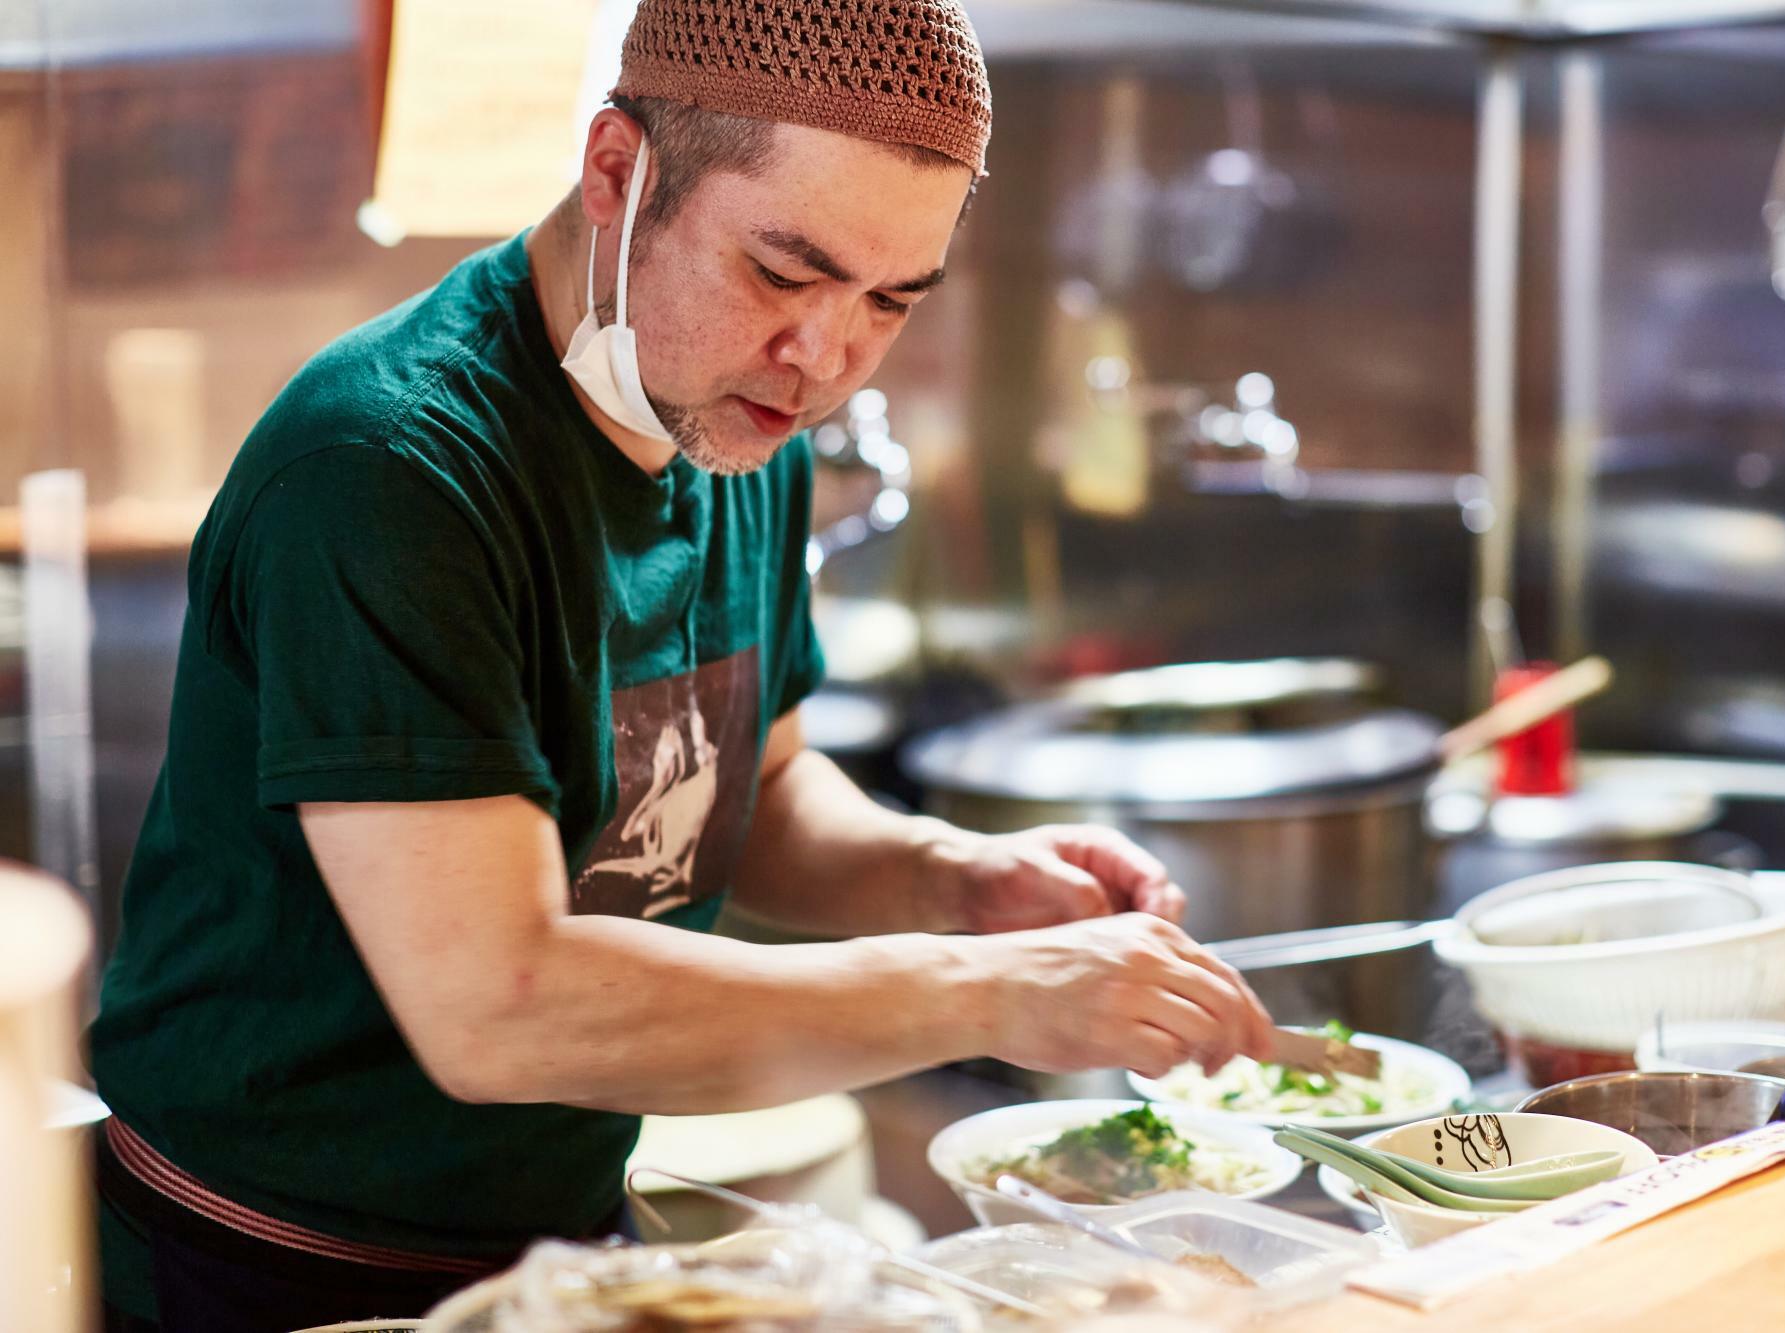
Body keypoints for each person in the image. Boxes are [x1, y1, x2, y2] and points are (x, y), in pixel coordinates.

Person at [87, 3, 1272, 1329]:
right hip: (269, 1270)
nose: (825, 360)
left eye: (890, 299)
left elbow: (747, 792)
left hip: (560, 1245)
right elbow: (499, 1004)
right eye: (782, 272)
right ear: (615, 171)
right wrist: (990, 995)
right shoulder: (393, 470)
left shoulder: (728, 422)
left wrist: (957, 883)